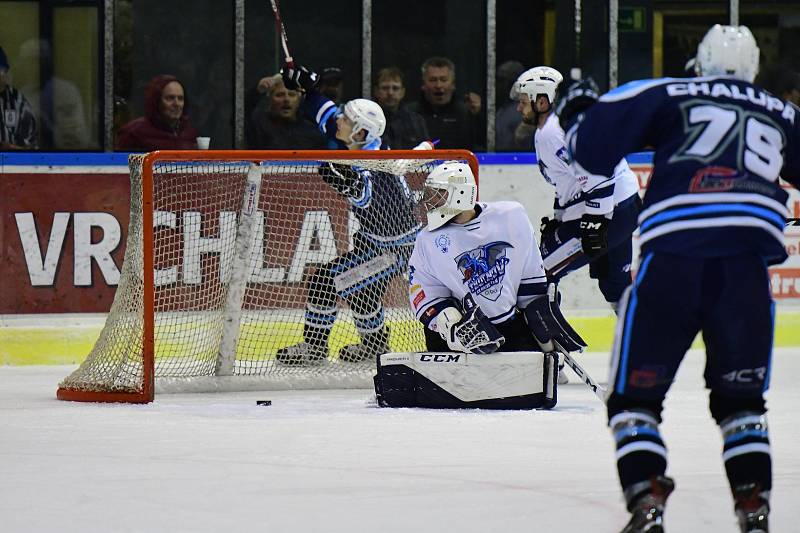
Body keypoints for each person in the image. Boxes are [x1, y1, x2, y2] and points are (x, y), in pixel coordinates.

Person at [563, 24, 800, 532]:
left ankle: (647, 502)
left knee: (633, 401)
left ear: (701, 62)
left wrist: (578, 109)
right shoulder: (782, 113)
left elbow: (588, 147)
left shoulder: (672, 91)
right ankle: (753, 509)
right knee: (742, 404)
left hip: (673, 262)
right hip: (745, 273)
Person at [275, 62, 424, 364]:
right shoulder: (363, 141)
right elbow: (327, 115)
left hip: (393, 250)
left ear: (359, 131)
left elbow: (369, 194)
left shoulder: (375, 170)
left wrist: (350, 185)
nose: (337, 121)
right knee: (362, 291)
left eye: (345, 119)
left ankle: (315, 348)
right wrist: (309, 87)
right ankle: (375, 345)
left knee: (326, 282)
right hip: (377, 243)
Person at [408, 160, 586, 383]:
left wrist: (545, 339)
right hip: (462, 332)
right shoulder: (428, 239)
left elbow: (531, 281)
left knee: (535, 379)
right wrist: (453, 328)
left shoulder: (511, 217)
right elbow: (422, 294)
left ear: (460, 193)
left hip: (508, 328)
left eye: (438, 194)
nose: (430, 201)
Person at [512, 66, 641, 313]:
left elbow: (599, 173)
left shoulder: (552, 131)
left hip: (609, 212)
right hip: (624, 207)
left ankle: (544, 345)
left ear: (542, 100)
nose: (519, 108)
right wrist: (560, 219)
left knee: (536, 275)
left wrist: (596, 223)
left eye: (523, 101)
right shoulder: (551, 128)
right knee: (616, 286)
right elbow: (568, 182)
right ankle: (640, 343)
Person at [405, 57, 484, 151]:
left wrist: (477, 116)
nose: (438, 85)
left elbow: (482, 144)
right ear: (423, 84)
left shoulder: (465, 113)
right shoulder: (410, 113)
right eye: (433, 80)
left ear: (453, 84)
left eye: (443, 80)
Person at [116, 74, 199, 151]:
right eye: (170, 98)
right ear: (156, 101)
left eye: (180, 98)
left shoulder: (189, 134)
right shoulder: (133, 133)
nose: (176, 104)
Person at [246, 74, 325, 150]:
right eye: (279, 95)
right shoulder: (259, 123)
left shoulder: (311, 129)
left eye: (291, 94)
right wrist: (256, 91)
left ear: (299, 100)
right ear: (270, 100)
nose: (286, 99)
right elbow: (241, 112)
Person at [373, 66, 429, 149]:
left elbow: (426, 152)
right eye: (385, 88)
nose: (390, 93)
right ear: (376, 91)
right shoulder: (368, 120)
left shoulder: (416, 121)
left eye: (395, 88)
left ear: (403, 92)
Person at [0, 46, 37, 150]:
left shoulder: (18, 101)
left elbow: (31, 147)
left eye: (1, 70)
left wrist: (11, 149)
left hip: (13, 165)